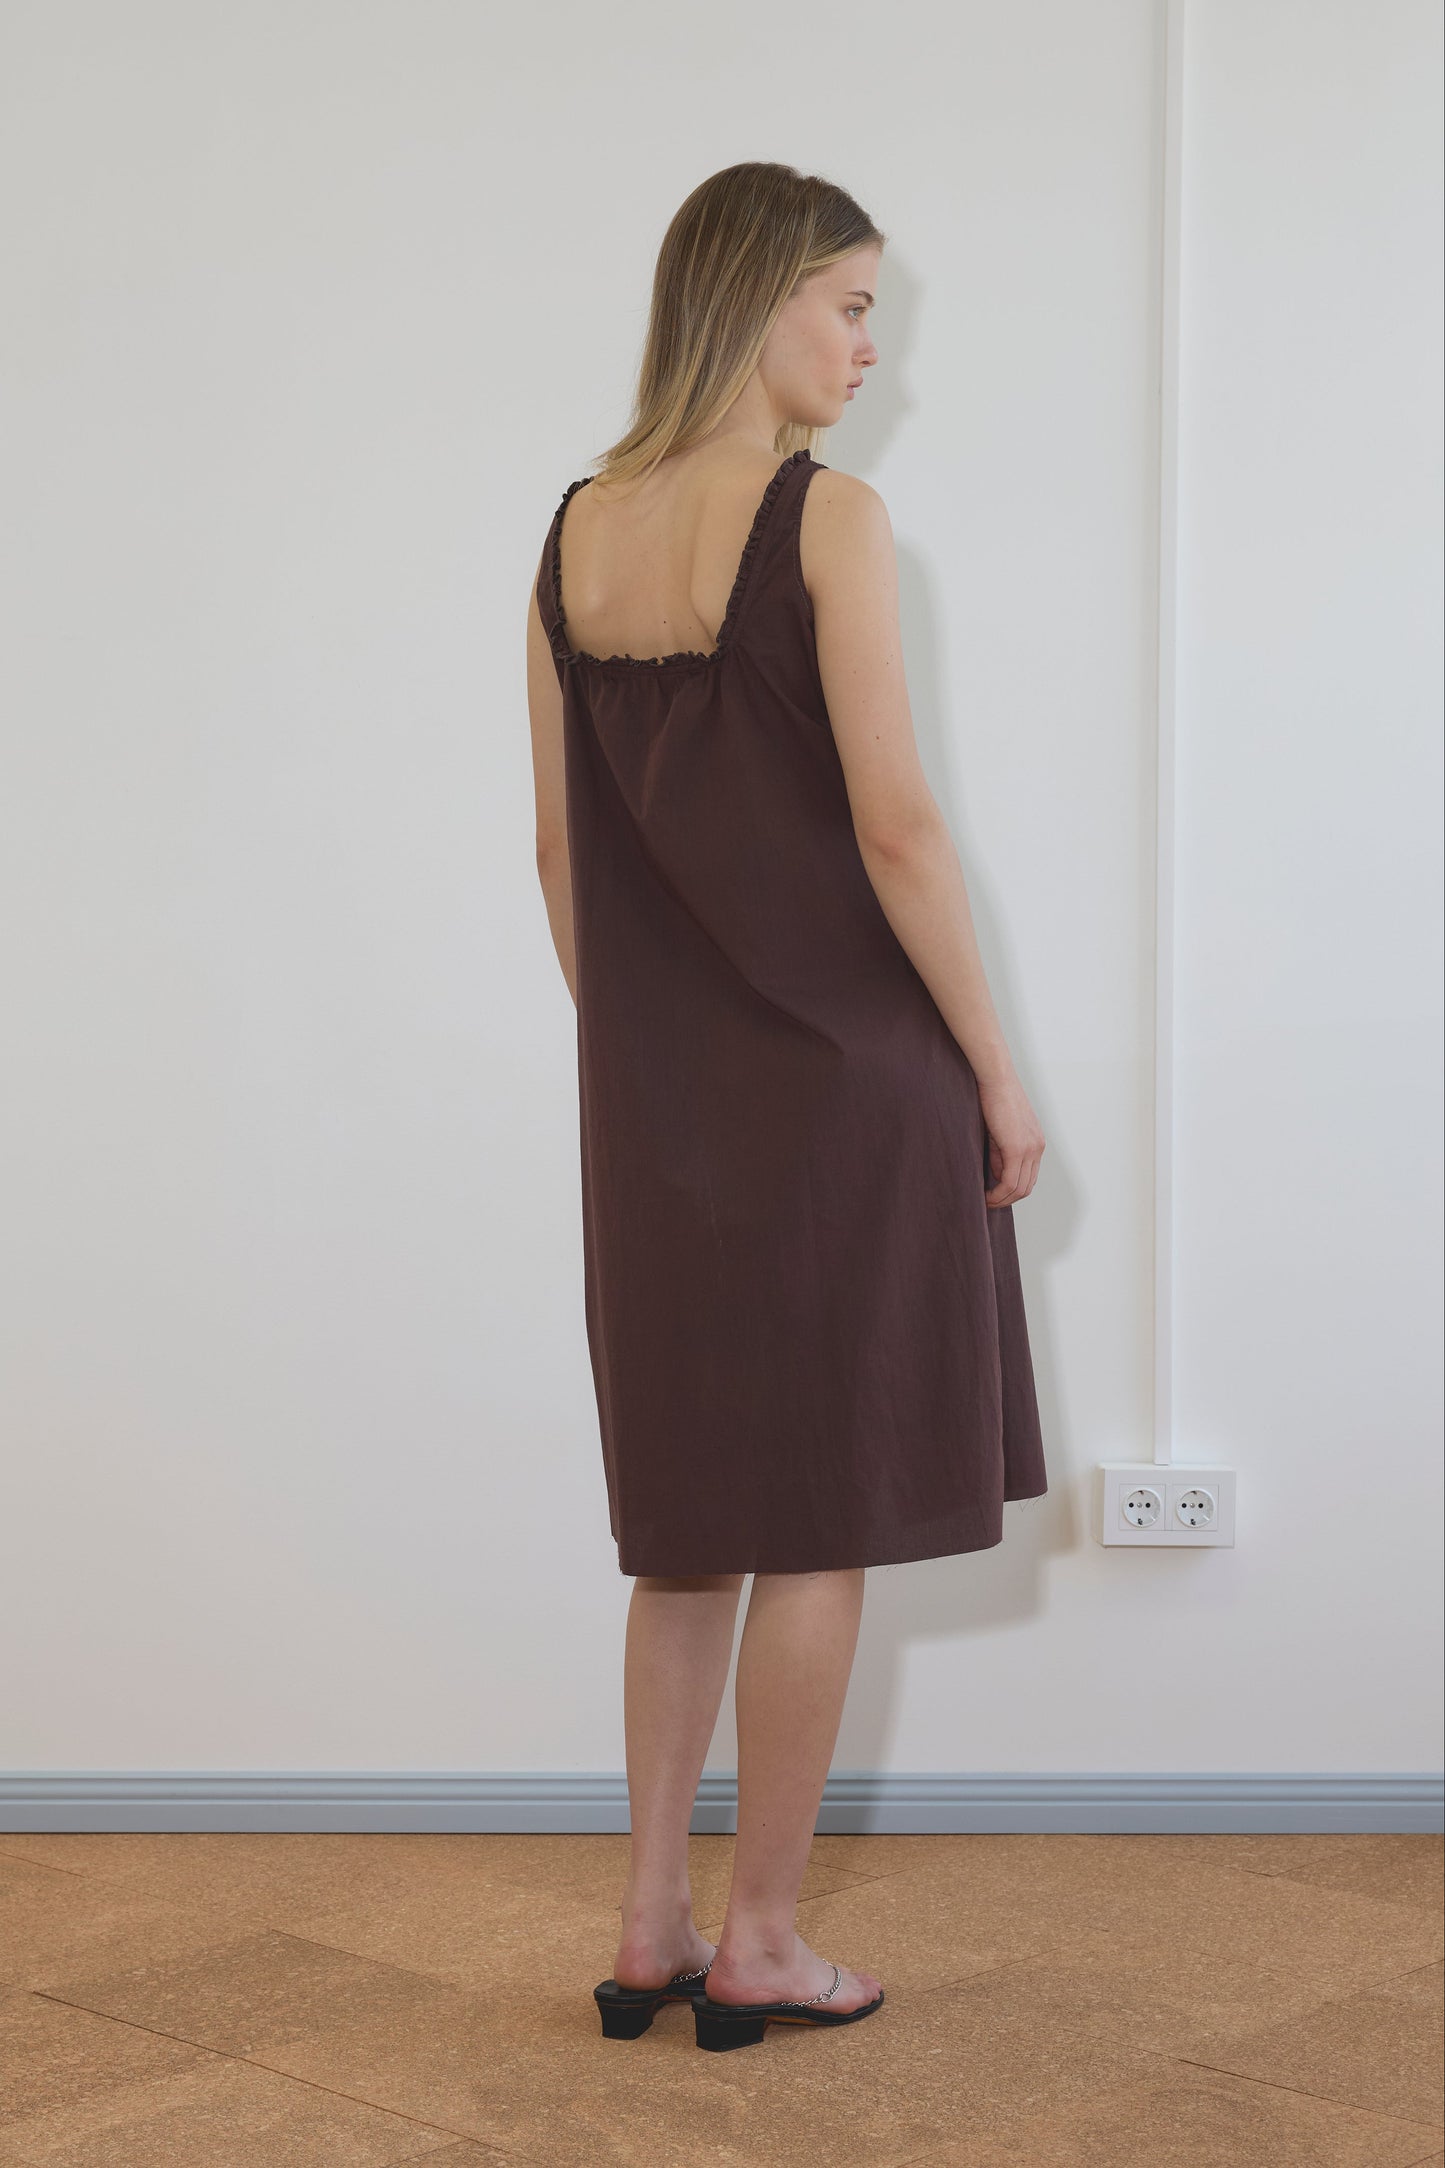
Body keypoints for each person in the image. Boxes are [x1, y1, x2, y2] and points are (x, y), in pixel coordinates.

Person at [526, 162, 1048, 2046]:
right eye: (843, 301)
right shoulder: (828, 524)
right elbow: (899, 832)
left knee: (682, 1530)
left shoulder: (572, 535)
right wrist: (994, 1065)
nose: (863, 340)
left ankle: (650, 1923)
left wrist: (665, 1071)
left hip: (658, 1114)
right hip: (845, 1096)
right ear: (751, 303)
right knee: (812, 1523)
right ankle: (762, 1942)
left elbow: (561, 863)